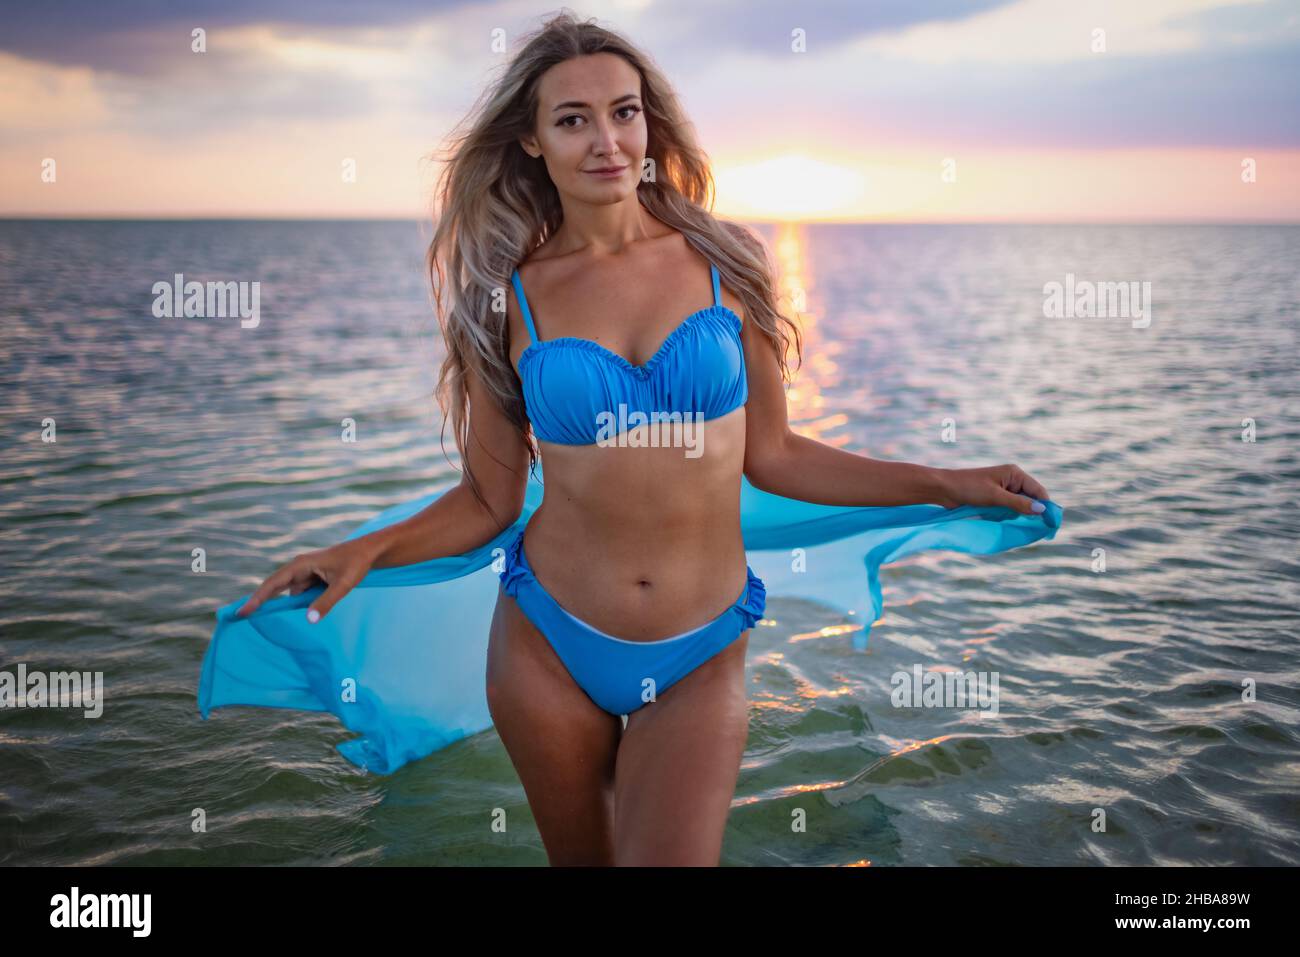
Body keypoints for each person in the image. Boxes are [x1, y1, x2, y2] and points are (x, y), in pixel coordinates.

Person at [201, 12, 1056, 866]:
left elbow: (779, 456)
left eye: (625, 111)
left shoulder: (726, 264)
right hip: (545, 640)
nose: (606, 139)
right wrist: (362, 549)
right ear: (532, 141)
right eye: (572, 119)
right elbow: (490, 500)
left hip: (701, 642)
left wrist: (950, 482)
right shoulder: (509, 300)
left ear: (650, 123)